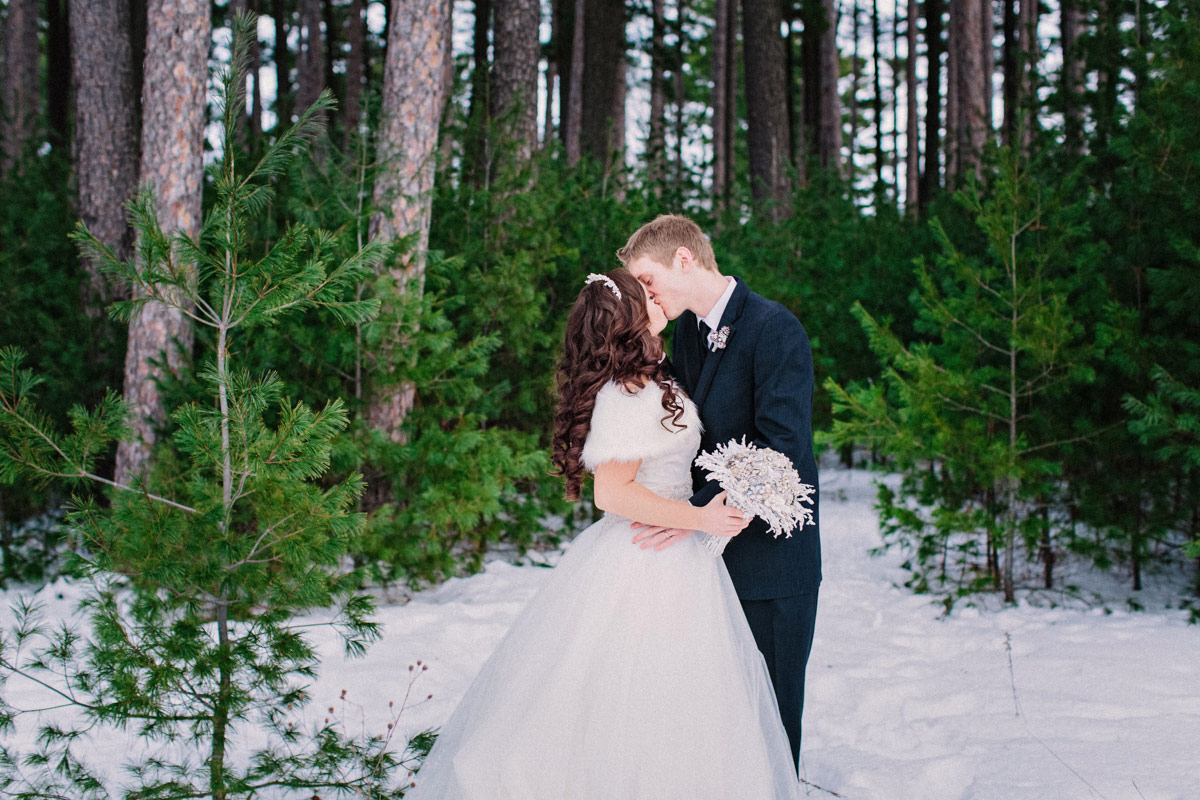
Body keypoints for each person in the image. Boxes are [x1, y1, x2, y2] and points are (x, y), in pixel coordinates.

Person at [403, 268, 800, 799]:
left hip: (676, 557)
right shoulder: (630, 392)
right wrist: (701, 519)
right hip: (644, 561)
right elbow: (611, 493)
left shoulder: (653, 377)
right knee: (630, 701)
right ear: (632, 318)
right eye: (646, 294)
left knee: (681, 703)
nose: (657, 296)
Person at [619, 213, 821, 770]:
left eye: (648, 278)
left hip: (771, 568)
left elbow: (783, 452)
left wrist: (696, 513)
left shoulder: (775, 329)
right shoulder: (685, 332)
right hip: (701, 567)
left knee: (771, 724)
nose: (646, 293)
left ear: (684, 259)